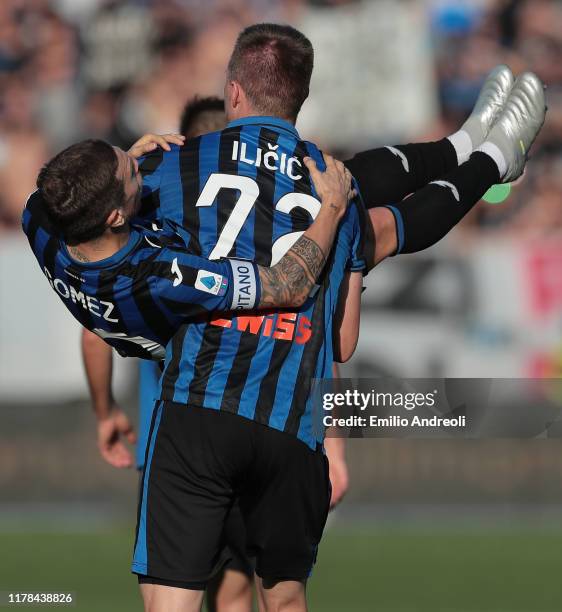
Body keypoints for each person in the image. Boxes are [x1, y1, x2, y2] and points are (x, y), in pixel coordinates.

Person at [130, 24, 545, 612]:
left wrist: (127, 159)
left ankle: (477, 150)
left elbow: (86, 213)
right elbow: (346, 341)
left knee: (175, 602)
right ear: (299, 100)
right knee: (285, 598)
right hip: (293, 425)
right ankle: (482, 154)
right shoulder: (336, 188)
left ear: (233, 92)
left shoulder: (175, 166)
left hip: (202, 406)